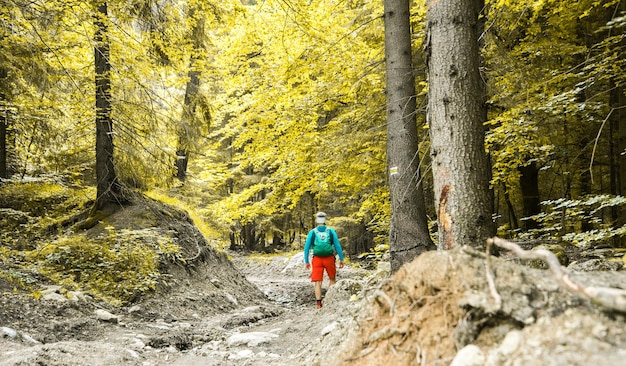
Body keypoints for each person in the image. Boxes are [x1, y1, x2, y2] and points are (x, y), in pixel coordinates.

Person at [303, 211, 344, 308]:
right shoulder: (330, 231)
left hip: (317, 259)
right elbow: (337, 245)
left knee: (318, 281)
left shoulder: (312, 232)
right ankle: (329, 299)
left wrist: (307, 261)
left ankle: (318, 303)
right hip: (329, 258)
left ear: (317, 220)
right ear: (325, 220)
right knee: (332, 278)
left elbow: (307, 248)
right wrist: (341, 258)